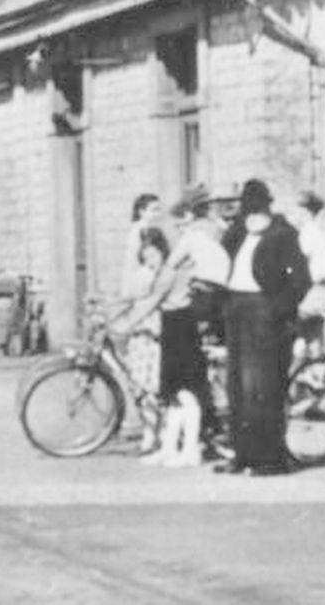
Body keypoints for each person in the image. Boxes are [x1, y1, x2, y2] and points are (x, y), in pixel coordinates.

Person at [122, 185, 226, 467]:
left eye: (180, 219)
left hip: (181, 323)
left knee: (186, 391)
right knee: (173, 394)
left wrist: (126, 323)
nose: (177, 225)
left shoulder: (184, 255)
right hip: (173, 323)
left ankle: (190, 449)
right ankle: (170, 446)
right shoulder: (182, 253)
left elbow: (156, 296)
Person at [214, 179, 310, 476]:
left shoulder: (283, 236)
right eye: (248, 211)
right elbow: (219, 263)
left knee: (263, 389)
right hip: (236, 310)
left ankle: (270, 458)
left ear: (268, 209)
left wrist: (275, 310)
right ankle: (243, 454)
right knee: (238, 388)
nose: (252, 217)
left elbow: (300, 281)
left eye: (258, 210)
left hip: (264, 314)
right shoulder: (237, 235)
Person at [121, 225, 171, 454]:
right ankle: (150, 432)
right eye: (146, 257)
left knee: (153, 388)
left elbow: (152, 304)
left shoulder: (164, 275)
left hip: (154, 337)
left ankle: (156, 434)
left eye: (154, 255)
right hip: (140, 338)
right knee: (140, 388)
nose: (150, 261)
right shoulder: (144, 275)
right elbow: (131, 299)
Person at [294, 190, 325, 359]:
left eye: (297, 210)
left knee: (292, 330)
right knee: (314, 338)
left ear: (304, 212)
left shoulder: (307, 234)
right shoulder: (318, 233)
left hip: (312, 292)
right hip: (321, 292)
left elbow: (297, 264)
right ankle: (316, 376)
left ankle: (298, 375)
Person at [121, 193, 163, 299]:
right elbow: (135, 259)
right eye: (154, 210)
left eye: (159, 210)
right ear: (142, 212)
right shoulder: (139, 231)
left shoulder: (150, 229)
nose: (158, 214)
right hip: (140, 277)